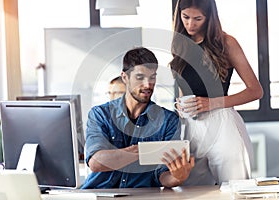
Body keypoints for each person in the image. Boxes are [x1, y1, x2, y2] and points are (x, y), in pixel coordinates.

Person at [169, 0, 263, 185]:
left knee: (235, 189)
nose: (190, 24)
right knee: (192, 192)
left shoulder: (226, 43)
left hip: (223, 125)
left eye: (198, 19)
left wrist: (211, 103)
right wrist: (180, 105)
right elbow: (184, 87)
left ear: (209, 17)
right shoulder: (180, 44)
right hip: (190, 127)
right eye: (185, 17)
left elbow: (256, 90)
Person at [81, 47, 194, 189]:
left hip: (141, 196)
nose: (148, 85)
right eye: (140, 78)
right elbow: (96, 163)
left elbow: (162, 175)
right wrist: (144, 151)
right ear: (125, 77)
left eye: (152, 77)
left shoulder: (169, 120)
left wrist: (177, 177)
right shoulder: (100, 114)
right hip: (99, 192)